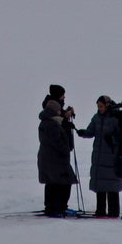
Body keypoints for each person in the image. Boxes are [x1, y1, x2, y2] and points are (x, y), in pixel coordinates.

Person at [76, 96, 122, 217]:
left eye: (101, 106)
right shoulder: (96, 118)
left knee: (112, 186)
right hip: (98, 156)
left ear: (107, 106)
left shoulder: (115, 118)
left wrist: (112, 139)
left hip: (111, 156)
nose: (99, 108)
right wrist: (83, 133)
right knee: (100, 186)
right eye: (98, 106)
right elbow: (90, 131)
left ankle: (114, 211)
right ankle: (100, 210)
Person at [38, 84, 77, 217]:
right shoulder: (52, 121)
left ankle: (52, 207)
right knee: (63, 182)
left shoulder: (47, 119)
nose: (64, 97)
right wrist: (65, 149)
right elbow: (57, 142)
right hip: (56, 158)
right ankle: (59, 207)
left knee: (52, 183)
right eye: (62, 95)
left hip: (49, 157)